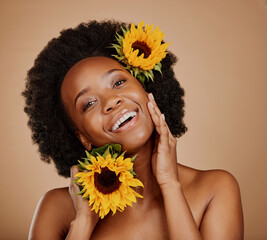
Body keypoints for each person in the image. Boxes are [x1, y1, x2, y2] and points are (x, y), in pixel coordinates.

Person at [23, 20, 243, 239]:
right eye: (89, 104)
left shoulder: (215, 189)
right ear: (83, 138)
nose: (111, 101)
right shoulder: (57, 208)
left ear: (147, 89)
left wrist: (169, 184)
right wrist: (83, 222)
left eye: (118, 83)